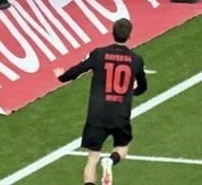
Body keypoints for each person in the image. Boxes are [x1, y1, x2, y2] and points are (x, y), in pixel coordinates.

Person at [55, 18, 148, 185]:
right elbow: (142, 87)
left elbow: (77, 70)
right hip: (120, 113)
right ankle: (111, 161)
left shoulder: (98, 54)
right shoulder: (136, 59)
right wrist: (131, 91)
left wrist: (61, 76)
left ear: (112, 33)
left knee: (92, 158)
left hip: (97, 114)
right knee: (122, 146)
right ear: (130, 36)